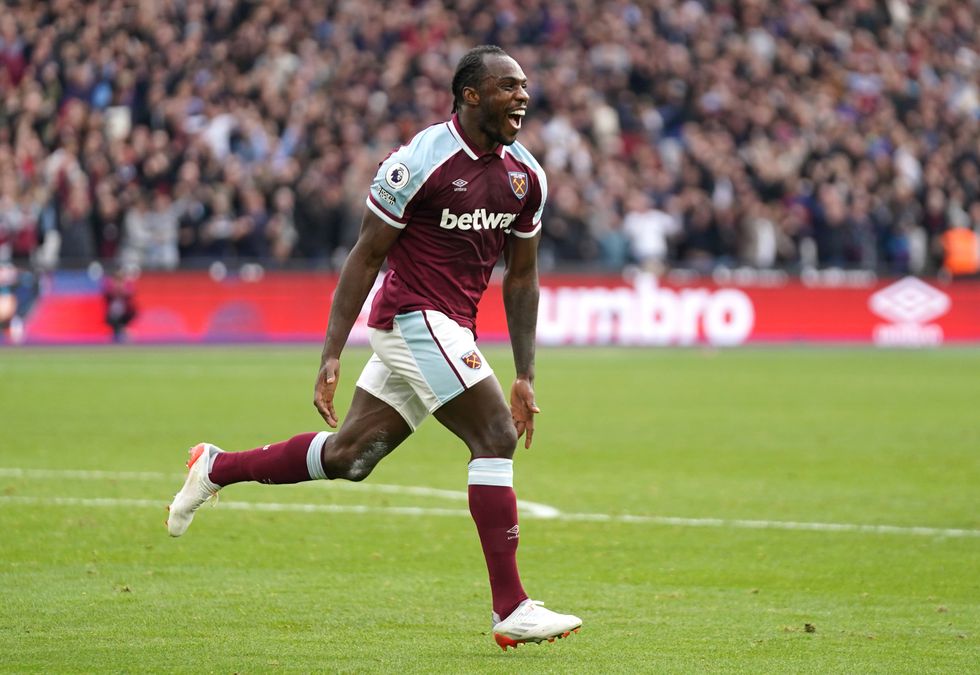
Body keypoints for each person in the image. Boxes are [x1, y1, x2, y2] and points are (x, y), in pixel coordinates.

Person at [166, 45, 582, 650]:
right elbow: (366, 255)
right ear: (471, 95)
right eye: (508, 86)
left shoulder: (527, 176)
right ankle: (511, 606)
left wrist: (526, 372)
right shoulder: (417, 162)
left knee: (349, 457)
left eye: (524, 86)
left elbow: (522, 277)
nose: (523, 95)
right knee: (494, 436)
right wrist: (331, 352)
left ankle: (215, 467)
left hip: (451, 326)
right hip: (409, 316)